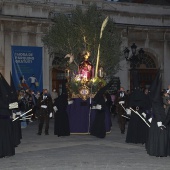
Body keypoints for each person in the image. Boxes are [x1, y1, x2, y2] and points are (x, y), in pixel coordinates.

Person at [0, 73, 15, 158]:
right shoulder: (4, 100)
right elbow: (7, 106)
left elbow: (10, 106)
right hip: (3, 120)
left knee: (5, 136)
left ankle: (5, 151)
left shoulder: (6, 99)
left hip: (6, 119)